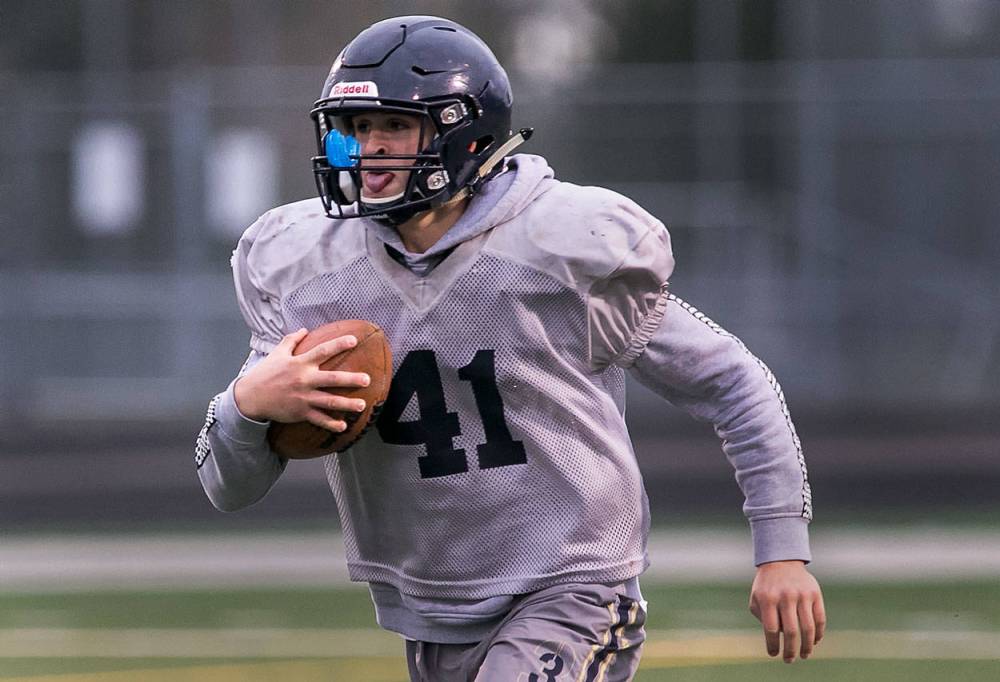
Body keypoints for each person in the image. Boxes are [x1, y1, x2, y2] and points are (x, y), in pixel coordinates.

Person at [195, 15, 825, 681]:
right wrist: (247, 405)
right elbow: (225, 487)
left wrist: (781, 546)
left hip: (573, 585)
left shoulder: (556, 247)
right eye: (356, 130)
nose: (369, 150)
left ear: (463, 134)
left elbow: (735, 381)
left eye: (394, 127)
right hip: (433, 607)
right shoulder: (306, 266)